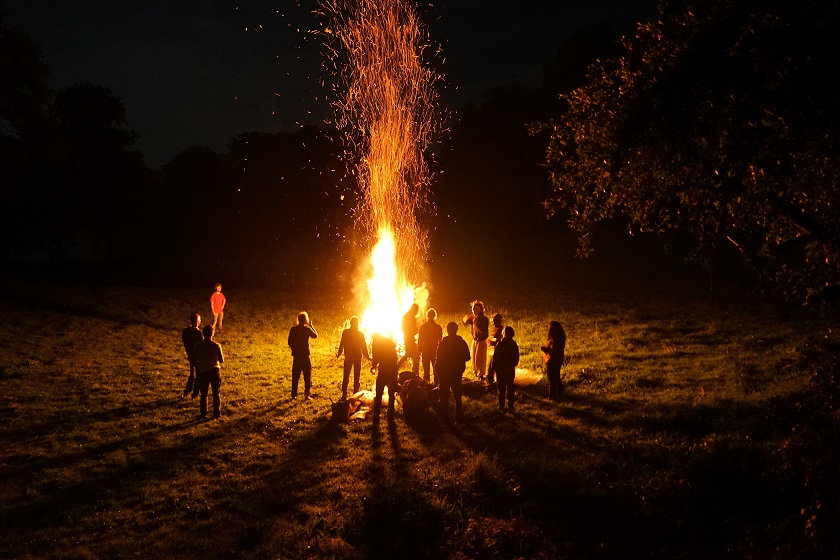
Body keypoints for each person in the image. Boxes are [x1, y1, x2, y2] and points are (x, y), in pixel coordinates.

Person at [436, 321, 471, 425]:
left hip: (444, 372)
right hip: (456, 372)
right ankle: (459, 416)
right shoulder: (461, 342)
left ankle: (443, 417)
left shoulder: (443, 342)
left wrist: (438, 371)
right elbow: (467, 357)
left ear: (447, 330)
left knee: (444, 395)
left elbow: (438, 358)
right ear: (456, 330)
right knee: (457, 394)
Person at [193, 325, 224, 419]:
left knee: (204, 394)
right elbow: (221, 360)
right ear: (212, 333)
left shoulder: (197, 345)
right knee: (216, 393)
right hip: (215, 370)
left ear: (203, 334)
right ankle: (217, 413)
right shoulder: (216, 345)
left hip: (203, 371)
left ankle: (203, 413)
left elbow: (194, 358)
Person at [335, 316, 370, 400]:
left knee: (346, 376)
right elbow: (364, 348)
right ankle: (355, 394)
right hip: (357, 357)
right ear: (357, 324)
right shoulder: (360, 334)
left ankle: (344, 394)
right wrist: (368, 357)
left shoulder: (345, 332)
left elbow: (342, 344)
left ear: (350, 323)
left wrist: (339, 353)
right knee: (356, 376)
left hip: (349, 357)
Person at [288, 311, 318, 400]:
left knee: (295, 376)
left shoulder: (293, 329)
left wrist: (294, 349)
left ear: (298, 319)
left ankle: (294, 395)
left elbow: (289, 342)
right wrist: (311, 326)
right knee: (307, 376)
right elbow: (315, 335)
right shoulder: (306, 330)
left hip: (297, 356)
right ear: (305, 320)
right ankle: (306, 394)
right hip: (305, 356)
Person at [370, 333, 399, 425]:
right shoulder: (390, 343)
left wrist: (373, 366)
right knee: (391, 394)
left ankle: (376, 415)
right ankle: (390, 416)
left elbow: (376, 357)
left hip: (384, 371)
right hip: (393, 370)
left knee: (379, 393)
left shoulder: (377, 345)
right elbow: (395, 357)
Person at [492, 326, 520, 411]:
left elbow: (495, 358)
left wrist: (494, 368)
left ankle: (501, 406)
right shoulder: (513, 344)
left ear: (504, 334)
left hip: (501, 370)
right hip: (510, 369)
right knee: (510, 387)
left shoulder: (500, 344)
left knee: (501, 388)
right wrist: (513, 365)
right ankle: (511, 404)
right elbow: (516, 356)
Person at [463, 300, 489, 380]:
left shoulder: (484, 319)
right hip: (475, 340)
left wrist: (476, 323)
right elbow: (465, 323)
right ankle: (475, 372)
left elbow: (483, 331)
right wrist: (466, 319)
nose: (474, 311)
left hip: (481, 341)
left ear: (480, 310)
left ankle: (481, 374)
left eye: (476, 309)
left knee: (480, 358)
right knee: (474, 357)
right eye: (473, 309)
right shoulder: (474, 318)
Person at [541, 320, 567, 400]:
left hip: (552, 361)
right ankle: (559, 394)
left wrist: (545, 350)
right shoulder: (560, 338)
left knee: (551, 378)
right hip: (558, 360)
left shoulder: (554, 340)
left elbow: (553, 352)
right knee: (557, 377)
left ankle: (551, 397)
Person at [417, 307, 443, 385]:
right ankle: (436, 384)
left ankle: (426, 385)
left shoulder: (422, 327)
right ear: (435, 316)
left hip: (425, 349)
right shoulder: (438, 327)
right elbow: (440, 339)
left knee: (426, 370)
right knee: (436, 369)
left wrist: (419, 349)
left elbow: (420, 339)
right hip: (435, 349)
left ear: (427, 316)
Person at [181, 313, 204, 398]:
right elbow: (202, 345)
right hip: (197, 356)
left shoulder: (186, 331)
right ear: (197, 321)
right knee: (198, 374)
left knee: (192, 374)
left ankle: (187, 390)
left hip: (190, 355)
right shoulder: (198, 333)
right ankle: (195, 393)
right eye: (199, 320)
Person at [401, 303, 420, 375]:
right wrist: (418, 329)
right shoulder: (411, 318)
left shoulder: (406, 316)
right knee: (415, 356)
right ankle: (416, 373)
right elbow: (412, 331)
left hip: (407, 338)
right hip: (410, 339)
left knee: (409, 354)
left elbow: (403, 328)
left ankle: (395, 367)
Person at [486, 312, 504, 392]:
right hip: (494, 350)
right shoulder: (496, 328)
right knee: (491, 367)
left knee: (492, 367)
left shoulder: (500, 329)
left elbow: (498, 340)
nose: (492, 323)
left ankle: (491, 383)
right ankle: (491, 381)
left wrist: (491, 341)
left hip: (498, 351)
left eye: (493, 321)